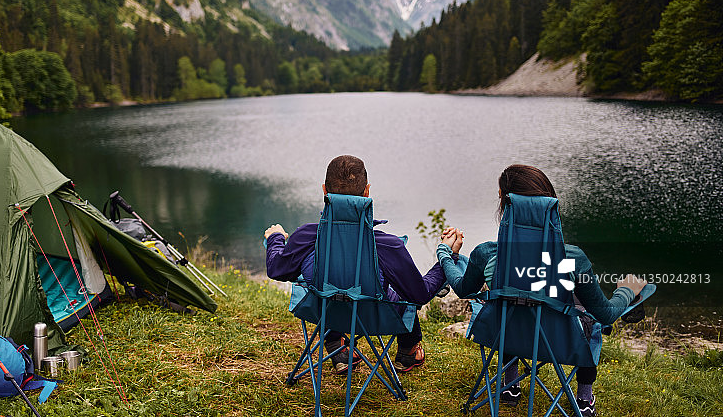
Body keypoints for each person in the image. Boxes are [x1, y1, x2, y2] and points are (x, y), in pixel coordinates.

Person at [437, 164, 647, 417]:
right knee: (590, 318)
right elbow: (607, 314)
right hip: (560, 343)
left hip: (502, 335)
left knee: (509, 306)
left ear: (504, 201)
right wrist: (626, 290)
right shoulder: (573, 259)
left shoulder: (486, 253)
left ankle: (509, 385)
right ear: (550, 205)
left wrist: (447, 254)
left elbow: (462, 288)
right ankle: (584, 398)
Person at [265, 154, 449, 374]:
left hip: (323, 312)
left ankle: (336, 346)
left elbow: (277, 269)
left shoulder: (306, 236)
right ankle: (407, 352)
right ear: (367, 192)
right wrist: (445, 259)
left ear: (324, 191)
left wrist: (275, 237)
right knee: (402, 291)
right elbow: (419, 294)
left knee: (328, 284)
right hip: (375, 318)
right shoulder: (387, 246)